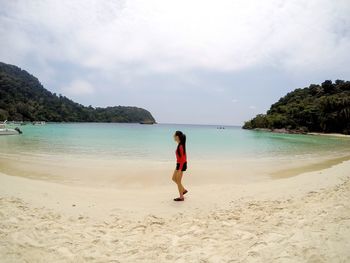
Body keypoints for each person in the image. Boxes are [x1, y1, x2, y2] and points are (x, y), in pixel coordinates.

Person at [172, 130, 188, 201]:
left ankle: (181, 197)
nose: (173, 136)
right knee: (173, 178)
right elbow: (183, 157)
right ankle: (183, 190)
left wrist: (180, 169)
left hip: (181, 164)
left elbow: (183, 158)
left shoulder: (181, 146)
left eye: (174, 135)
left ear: (177, 137)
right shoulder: (180, 145)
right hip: (179, 164)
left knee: (178, 180)